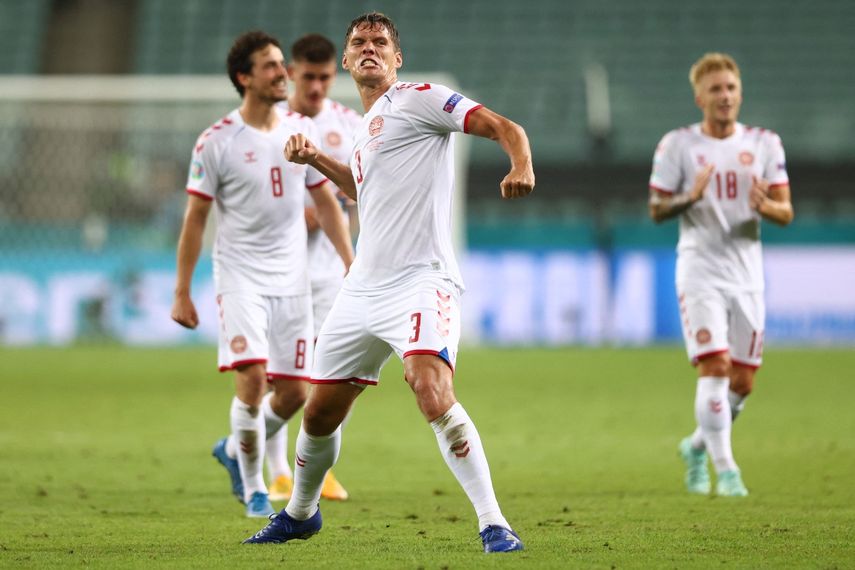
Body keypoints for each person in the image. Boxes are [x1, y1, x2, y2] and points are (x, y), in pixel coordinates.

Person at [244, 12, 534, 553]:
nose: (370, 48)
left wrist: (520, 162)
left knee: (429, 387)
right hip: (363, 288)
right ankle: (301, 513)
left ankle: (494, 522)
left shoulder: (422, 97)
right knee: (319, 411)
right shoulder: (363, 128)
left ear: (397, 58)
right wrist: (319, 158)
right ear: (348, 61)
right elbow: (364, 188)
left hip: (422, 281)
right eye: (359, 43)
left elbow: (504, 127)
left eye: (381, 42)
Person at [171, 30, 354, 518]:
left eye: (281, 64)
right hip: (240, 276)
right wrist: (182, 291)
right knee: (252, 381)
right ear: (244, 77)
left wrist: (350, 261)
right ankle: (254, 488)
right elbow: (195, 220)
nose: (283, 73)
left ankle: (233, 448)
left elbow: (327, 203)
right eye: (272, 66)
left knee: (295, 392)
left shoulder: (300, 131)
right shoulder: (216, 142)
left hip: (292, 280)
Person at [648, 53, 793, 497]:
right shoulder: (677, 146)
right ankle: (727, 470)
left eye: (730, 87)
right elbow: (657, 210)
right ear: (699, 98)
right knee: (715, 366)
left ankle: (695, 447)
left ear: (740, 92)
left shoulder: (766, 143)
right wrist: (689, 197)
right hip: (700, 270)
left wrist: (764, 206)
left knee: (743, 382)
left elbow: (786, 211)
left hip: (747, 275)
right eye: (715, 89)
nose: (725, 96)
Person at [264, 33, 362, 503]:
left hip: (330, 274)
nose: (319, 86)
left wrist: (353, 254)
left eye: (326, 77)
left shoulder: (353, 125)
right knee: (286, 379)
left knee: (332, 376)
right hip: (277, 271)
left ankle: (317, 469)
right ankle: (278, 467)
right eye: (309, 77)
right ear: (291, 74)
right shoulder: (271, 124)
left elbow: (369, 192)